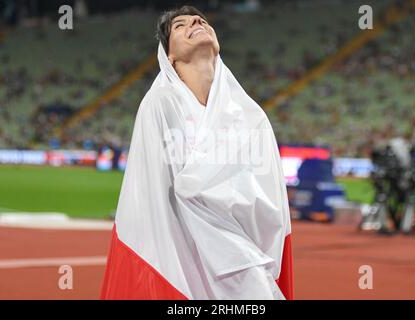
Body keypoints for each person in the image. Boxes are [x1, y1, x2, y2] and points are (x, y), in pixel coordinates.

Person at [100, 6, 293, 300]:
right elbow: (154, 199)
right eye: (180, 25)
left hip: (243, 256)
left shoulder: (250, 115)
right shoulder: (159, 105)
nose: (196, 23)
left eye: (200, 20)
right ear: (169, 55)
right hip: (182, 258)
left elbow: (271, 200)